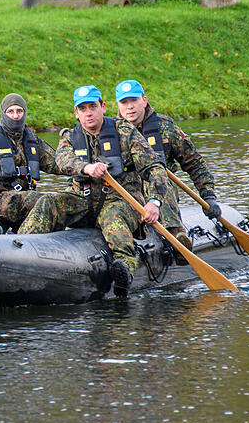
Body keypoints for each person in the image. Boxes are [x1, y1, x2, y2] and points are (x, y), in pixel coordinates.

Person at [17, 85, 169, 296]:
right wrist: (86, 168)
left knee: (113, 218)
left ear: (103, 107)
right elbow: (62, 160)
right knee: (48, 202)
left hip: (119, 200)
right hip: (83, 199)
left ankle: (125, 268)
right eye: (83, 109)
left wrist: (154, 202)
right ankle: (19, 250)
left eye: (92, 107)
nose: (88, 113)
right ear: (76, 113)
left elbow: (154, 168)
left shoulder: (125, 133)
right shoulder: (70, 136)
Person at [114, 79, 221, 255]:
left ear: (144, 101)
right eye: (124, 102)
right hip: (126, 192)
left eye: (134, 100)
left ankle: (177, 236)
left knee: (159, 180)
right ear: (118, 105)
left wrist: (208, 195)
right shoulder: (110, 131)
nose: (130, 107)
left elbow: (194, 162)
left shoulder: (165, 127)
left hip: (160, 191)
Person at [0, 93, 62, 231]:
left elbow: (58, 163)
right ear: (3, 113)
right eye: (10, 111)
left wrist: (84, 168)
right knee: (41, 200)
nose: (15, 116)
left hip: (22, 198)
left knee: (56, 201)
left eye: (19, 111)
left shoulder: (32, 140)